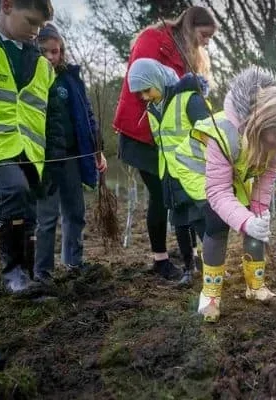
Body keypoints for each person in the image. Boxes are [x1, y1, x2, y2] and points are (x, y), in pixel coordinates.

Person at [172, 66, 276, 323]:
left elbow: (264, 181)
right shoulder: (224, 133)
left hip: (234, 170)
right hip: (196, 168)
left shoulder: (272, 139)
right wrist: (245, 221)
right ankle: (210, 295)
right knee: (217, 222)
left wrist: (259, 214)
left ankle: (255, 287)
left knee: (253, 219)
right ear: (263, 123)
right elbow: (217, 191)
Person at [112, 6, 218, 280]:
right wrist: (160, 130)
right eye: (205, 35)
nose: (206, 42)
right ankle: (161, 260)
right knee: (162, 195)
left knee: (180, 196)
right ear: (191, 26)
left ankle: (192, 257)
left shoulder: (187, 51)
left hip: (169, 140)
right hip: (143, 135)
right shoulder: (154, 40)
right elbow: (143, 87)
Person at [0, 0, 55, 295]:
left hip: (29, 151)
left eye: (41, 27)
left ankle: (25, 276)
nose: (36, 32)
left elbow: (51, 114)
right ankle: (13, 272)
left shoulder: (41, 64)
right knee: (14, 193)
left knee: (27, 204)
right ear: (6, 6)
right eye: (30, 22)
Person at [32, 23, 108, 283]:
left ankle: (73, 263)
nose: (51, 57)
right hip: (45, 160)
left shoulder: (71, 78)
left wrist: (98, 150)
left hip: (74, 157)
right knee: (47, 218)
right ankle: (42, 271)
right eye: (45, 52)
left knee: (75, 213)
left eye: (55, 51)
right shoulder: (30, 76)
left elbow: (87, 116)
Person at [126, 58, 211, 287]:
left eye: (146, 90)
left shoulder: (189, 100)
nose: (144, 97)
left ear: (157, 80)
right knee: (180, 224)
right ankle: (188, 269)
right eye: (140, 93)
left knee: (203, 222)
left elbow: (210, 133)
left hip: (195, 174)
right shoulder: (153, 109)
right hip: (171, 176)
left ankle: (215, 267)